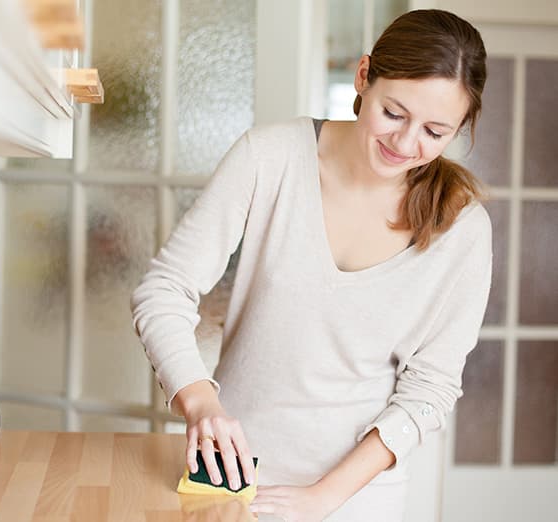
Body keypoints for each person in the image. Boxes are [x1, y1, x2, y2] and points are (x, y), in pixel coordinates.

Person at [131, 9, 492, 522]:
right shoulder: (269, 158)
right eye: (394, 113)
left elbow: (430, 388)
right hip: (231, 480)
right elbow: (164, 290)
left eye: (436, 131)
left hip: (359, 499)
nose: (407, 145)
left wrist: (323, 497)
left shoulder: (463, 228)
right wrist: (199, 401)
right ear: (364, 76)